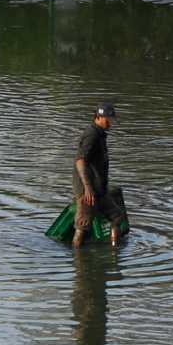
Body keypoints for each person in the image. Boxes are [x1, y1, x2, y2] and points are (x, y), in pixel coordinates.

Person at [73, 102, 125, 249]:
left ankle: (115, 252)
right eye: (108, 119)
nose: (111, 123)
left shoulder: (100, 135)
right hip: (87, 190)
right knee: (83, 226)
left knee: (117, 217)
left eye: (112, 120)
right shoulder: (92, 134)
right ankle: (78, 263)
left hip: (99, 189)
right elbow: (80, 160)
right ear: (99, 117)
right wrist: (88, 188)